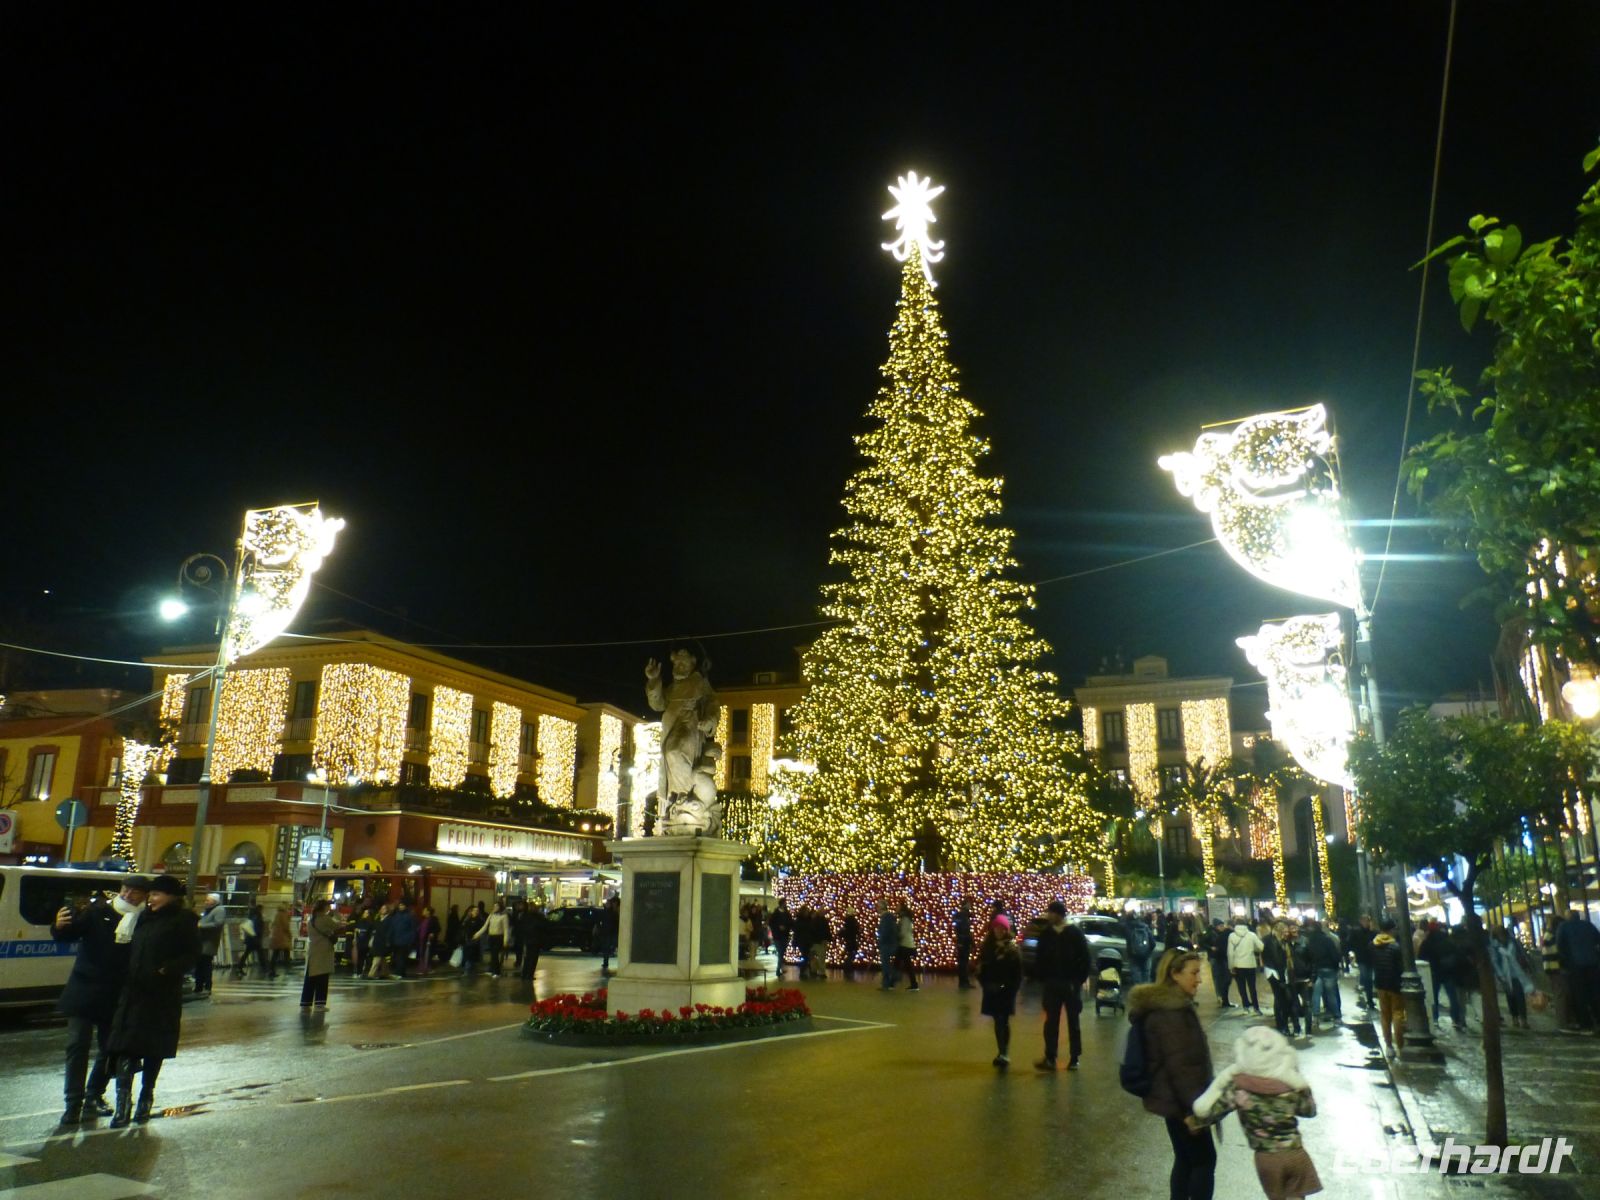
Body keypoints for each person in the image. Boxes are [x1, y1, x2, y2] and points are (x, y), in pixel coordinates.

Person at [52, 875, 151, 1124]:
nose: (128, 895)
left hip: (118, 994)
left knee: (109, 1049)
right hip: (85, 990)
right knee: (77, 1046)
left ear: (145, 895)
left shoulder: (145, 921)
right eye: (126, 889)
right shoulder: (98, 912)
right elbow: (69, 934)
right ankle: (72, 1103)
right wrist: (59, 927)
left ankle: (94, 1094)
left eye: (135, 892)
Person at [107, 874, 201, 1127]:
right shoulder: (142, 918)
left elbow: (192, 954)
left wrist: (166, 969)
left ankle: (146, 1099)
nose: (151, 898)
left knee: (152, 1051)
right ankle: (122, 1106)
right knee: (123, 1049)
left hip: (160, 996)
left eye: (157, 894)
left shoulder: (182, 920)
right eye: (151, 894)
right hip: (133, 993)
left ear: (172, 897)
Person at [1193, 1025, 1322, 1200]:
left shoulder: (1239, 1087)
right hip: (1295, 1154)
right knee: (1296, 1197)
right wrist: (1301, 1085)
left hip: (1267, 1159)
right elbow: (1310, 1111)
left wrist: (1196, 1122)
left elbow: (1217, 1110)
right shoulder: (1289, 1085)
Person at [1129, 949, 1216, 1200]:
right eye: (1194, 973)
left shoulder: (1171, 1006)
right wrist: (1191, 1111)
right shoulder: (1171, 1012)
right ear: (1174, 974)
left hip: (1174, 1101)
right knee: (1203, 1161)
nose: (1199, 979)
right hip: (1184, 1104)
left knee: (1186, 1159)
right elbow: (1181, 1066)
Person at [643, 648, 723, 834]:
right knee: (671, 758)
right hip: (672, 727)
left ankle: (685, 798)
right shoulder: (672, 688)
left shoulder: (700, 683)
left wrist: (710, 720)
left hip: (690, 726)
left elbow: (713, 704)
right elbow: (657, 704)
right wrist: (653, 680)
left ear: (692, 664)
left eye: (683, 663)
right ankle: (677, 801)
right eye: (677, 664)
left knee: (675, 753)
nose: (679, 666)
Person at [1031, 900, 1090, 1070]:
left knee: (1073, 1021)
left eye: (1051, 913)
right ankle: (1050, 1056)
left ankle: (1074, 1057)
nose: (1049, 915)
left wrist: (1078, 979)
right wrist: (1042, 977)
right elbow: (1040, 957)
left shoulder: (1073, 933)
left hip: (1070, 983)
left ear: (1059, 915)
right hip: (1052, 983)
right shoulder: (1047, 934)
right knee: (1051, 1021)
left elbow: (1084, 958)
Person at [978, 915, 1022, 1068]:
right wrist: (985, 983)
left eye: (1002, 928)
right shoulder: (988, 947)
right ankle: (1001, 1051)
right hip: (992, 989)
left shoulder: (1012, 948)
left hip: (1006, 990)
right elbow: (981, 968)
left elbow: (1017, 972)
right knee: (998, 1020)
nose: (999, 931)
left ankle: (1005, 1052)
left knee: (1004, 1020)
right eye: (997, 928)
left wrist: (1012, 988)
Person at [1555, 909, 1600, 1030]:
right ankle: (1598, 1017)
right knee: (1595, 992)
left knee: (1580, 995)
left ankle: (1586, 1023)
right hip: (1592, 963)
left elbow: (1560, 946)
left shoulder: (1563, 927)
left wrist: (1564, 962)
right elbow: (1597, 940)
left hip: (1574, 965)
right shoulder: (1588, 925)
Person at [300, 900, 347, 1011]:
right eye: (328, 906)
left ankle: (305, 1003)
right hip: (324, 951)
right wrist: (336, 913)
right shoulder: (325, 919)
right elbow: (338, 925)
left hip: (313, 951)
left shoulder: (311, 920)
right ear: (324, 907)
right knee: (322, 978)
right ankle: (319, 1004)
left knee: (310, 978)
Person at [1370, 917, 1407, 1058]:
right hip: (1395, 985)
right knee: (1398, 1014)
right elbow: (1400, 967)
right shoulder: (1395, 947)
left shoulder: (1372, 945)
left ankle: (1389, 1045)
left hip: (1380, 984)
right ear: (1391, 930)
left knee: (1385, 1015)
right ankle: (1400, 1045)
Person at [1489, 925, 1535, 1030]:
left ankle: (1523, 1019)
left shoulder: (1513, 942)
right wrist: (1500, 974)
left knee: (1520, 996)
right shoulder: (1495, 946)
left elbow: (1522, 954)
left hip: (1517, 973)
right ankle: (1515, 1017)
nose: (1501, 936)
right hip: (1505, 975)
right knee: (1511, 997)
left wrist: (1527, 965)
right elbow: (1494, 961)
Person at [1304, 919, 1342, 1029]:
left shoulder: (1310, 941)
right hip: (1329, 969)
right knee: (1331, 994)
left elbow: (1308, 957)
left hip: (1316, 971)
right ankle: (1337, 1017)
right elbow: (1335, 955)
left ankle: (1315, 1017)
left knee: (1316, 994)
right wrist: (1336, 967)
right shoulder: (1327, 940)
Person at [1227, 917, 1264, 1015]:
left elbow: (1230, 953)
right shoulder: (1251, 935)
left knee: (1241, 987)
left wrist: (1231, 966)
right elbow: (1261, 947)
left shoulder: (1232, 936)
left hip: (1238, 966)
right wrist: (1254, 949)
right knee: (1252, 987)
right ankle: (1256, 1008)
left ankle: (1246, 1007)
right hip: (1250, 964)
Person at [194, 893, 226, 995]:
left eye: (208, 900)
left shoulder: (219, 910)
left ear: (214, 901)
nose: (205, 902)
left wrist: (201, 926)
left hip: (209, 941)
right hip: (203, 941)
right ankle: (199, 985)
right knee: (200, 964)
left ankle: (207, 986)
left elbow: (218, 923)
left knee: (205, 964)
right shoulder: (210, 910)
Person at [1349, 914, 1377, 1010]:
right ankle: (1369, 999)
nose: (1366, 923)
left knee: (1368, 978)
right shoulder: (1357, 932)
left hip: (1370, 959)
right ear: (1361, 921)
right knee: (1367, 978)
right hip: (1362, 959)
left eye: (1367, 921)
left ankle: (1369, 998)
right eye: (1364, 921)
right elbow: (1351, 943)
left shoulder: (1372, 932)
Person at [517, 902, 548, 983]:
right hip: (536, 940)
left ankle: (524, 974)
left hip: (528, 940)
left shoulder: (525, 916)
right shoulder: (538, 916)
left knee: (527, 958)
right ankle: (529, 975)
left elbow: (521, 928)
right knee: (533, 958)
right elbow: (544, 926)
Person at [234, 903, 267, 978]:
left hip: (251, 939)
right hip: (255, 939)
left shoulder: (252, 917)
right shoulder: (258, 917)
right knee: (260, 954)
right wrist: (259, 936)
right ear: (260, 909)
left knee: (247, 954)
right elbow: (257, 929)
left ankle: (239, 967)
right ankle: (265, 969)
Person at [1205, 920, 1233, 1008]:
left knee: (1221, 977)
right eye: (1221, 926)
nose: (1222, 927)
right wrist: (1210, 948)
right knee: (1217, 977)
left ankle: (1221, 996)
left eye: (1223, 925)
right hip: (1214, 958)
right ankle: (1219, 996)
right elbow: (1202, 942)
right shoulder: (1211, 933)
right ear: (1216, 926)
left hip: (1219, 957)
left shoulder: (1221, 934)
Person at [478, 901, 509, 976]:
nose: (494, 908)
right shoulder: (491, 915)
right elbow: (485, 926)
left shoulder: (504, 916)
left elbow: (506, 929)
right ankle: (492, 970)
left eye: (497, 906)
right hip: (491, 936)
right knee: (492, 954)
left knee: (495, 954)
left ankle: (497, 971)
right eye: (494, 906)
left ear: (500, 907)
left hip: (499, 937)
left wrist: (505, 940)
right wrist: (478, 934)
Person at [1124, 910, 1155, 984]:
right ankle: (1146, 992)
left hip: (1134, 956)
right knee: (1146, 976)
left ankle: (1138, 992)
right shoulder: (1145, 927)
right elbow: (1153, 943)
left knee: (1136, 977)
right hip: (1146, 956)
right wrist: (1148, 951)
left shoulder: (1128, 928)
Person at [894, 902, 919, 990]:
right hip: (907, 944)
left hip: (905, 945)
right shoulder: (905, 918)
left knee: (899, 964)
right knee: (905, 965)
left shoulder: (904, 919)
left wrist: (896, 937)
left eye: (898, 906)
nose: (896, 908)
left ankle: (891, 983)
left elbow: (903, 933)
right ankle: (913, 984)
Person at [876, 900, 898, 989]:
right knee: (885, 963)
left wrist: (880, 941)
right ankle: (887, 983)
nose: (877, 908)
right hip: (889, 943)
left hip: (886, 943)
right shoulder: (888, 917)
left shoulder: (886, 917)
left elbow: (885, 932)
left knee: (885, 964)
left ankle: (893, 977)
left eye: (878, 906)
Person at [770, 899, 794, 978]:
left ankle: (780, 967)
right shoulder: (776, 914)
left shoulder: (787, 914)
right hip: (777, 936)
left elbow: (790, 923)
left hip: (784, 935)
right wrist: (778, 927)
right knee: (780, 952)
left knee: (782, 952)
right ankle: (778, 969)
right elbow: (772, 923)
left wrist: (786, 927)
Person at [267, 907, 292, 979]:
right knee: (286, 953)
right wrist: (290, 935)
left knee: (275, 954)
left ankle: (271, 970)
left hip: (276, 937)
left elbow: (272, 925)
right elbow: (286, 927)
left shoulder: (277, 914)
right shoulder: (283, 914)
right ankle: (288, 969)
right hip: (282, 938)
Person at [954, 901, 975, 989]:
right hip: (964, 942)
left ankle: (963, 982)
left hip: (961, 941)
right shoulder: (964, 917)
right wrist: (971, 942)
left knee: (962, 962)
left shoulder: (959, 916)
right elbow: (965, 930)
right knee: (963, 962)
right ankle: (964, 982)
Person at [598, 896, 620, 974]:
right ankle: (605, 962)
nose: (607, 904)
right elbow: (601, 921)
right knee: (606, 947)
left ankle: (606, 961)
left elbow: (615, 923)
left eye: (608, 903)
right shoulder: (607, 912)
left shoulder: (612, 913)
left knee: (609, 946)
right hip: (607, 932)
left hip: (611, 932)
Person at [416, 906, 437, 975]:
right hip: (422, 940)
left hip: (428, 940)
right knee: (422, 954)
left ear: (428, 912)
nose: (423, 912)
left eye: (424, 910)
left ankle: (426, 969)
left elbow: (437, 928)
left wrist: (432, 933)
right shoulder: (424, 920)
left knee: (427, 954)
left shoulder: (433, 919)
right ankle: (422, 968)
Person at [840, 908, 861, 978]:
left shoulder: (847, 921)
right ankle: (847, 967)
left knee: (850, 953)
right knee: (851, 954)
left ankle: (847, 967)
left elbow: (845, 931)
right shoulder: (853, 921)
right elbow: (855, 930)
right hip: (852, 940)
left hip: (849, 940)